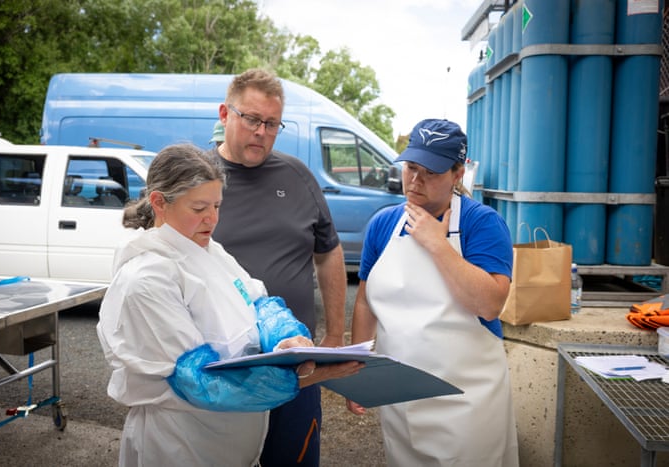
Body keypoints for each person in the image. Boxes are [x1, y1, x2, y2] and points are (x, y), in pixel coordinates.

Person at [96, 144, 361, 466]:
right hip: (182, 447)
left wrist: (285, 338)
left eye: (218, 206)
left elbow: (260, 305)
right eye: (199, 208)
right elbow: (198, 383)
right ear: (159, 203)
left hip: (229, 445)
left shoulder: (208, 250)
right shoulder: (147, 280)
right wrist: (304, 378)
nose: (212, 219)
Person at [347, 119, 519, 466]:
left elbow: (489, 304)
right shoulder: (383, 224)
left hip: (465, 402)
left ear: (458, 174)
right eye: (411, 167)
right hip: (401, 396)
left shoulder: (481, 224)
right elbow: (365, 301)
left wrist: (437, 245)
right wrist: (358, 368)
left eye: (431, 171)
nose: (415, 180)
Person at [210, 68, 347, 466]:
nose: (261, 132)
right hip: (224, 368)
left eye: (272, 123)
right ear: (224, 114)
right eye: (251, 119)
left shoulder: (298, 177)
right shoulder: (199, 180)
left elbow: (329, 252)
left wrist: (335, 336)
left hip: (296, 365)